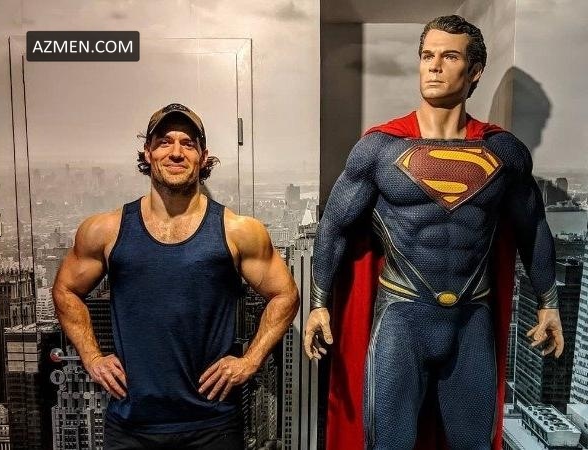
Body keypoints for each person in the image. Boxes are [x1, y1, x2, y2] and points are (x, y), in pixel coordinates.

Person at [304, 15, 564, 450]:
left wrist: (549, 303)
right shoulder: (380, 149)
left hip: (471, 320)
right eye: (427, 56)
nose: (434, 66)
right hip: (401, 318)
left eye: (449, 56)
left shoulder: (504, 152)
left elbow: (532, 227)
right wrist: (318, 304)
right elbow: (334, 225)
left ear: (475, 71)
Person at [53, 103, 299, 450]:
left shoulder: (238, 231)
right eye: (164, 142)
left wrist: (250, 360)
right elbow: (65, 290)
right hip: (131, 425)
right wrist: (92, 357)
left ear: (203, 156)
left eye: (188, 143)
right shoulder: (105, 230)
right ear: (148, 152)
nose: (176, 152)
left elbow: (286, 295)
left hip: (212, 426)